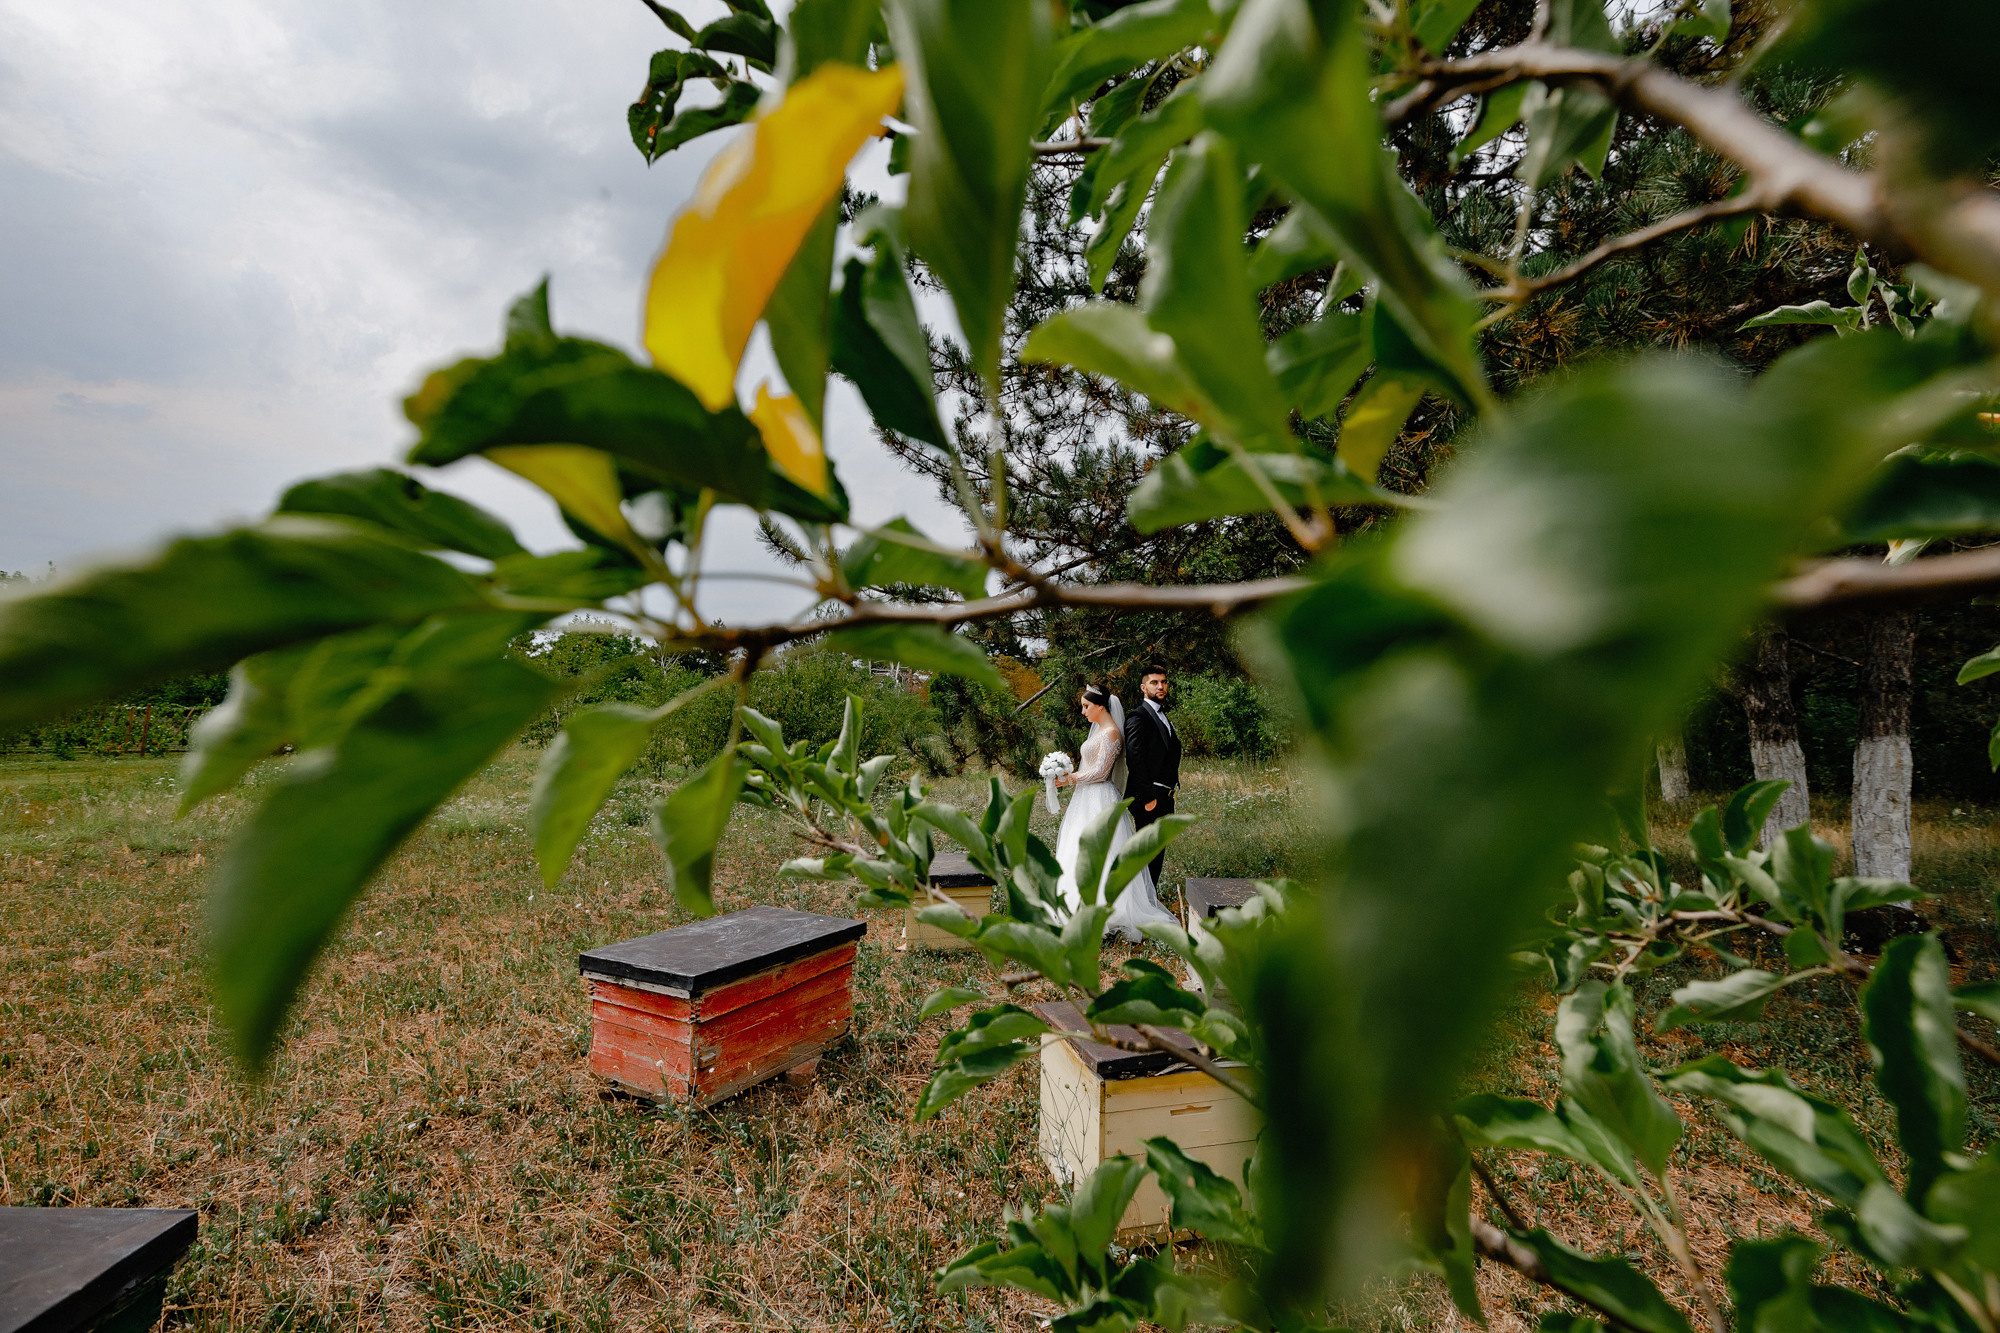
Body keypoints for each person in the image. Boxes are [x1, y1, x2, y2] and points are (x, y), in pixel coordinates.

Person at [1050, 684, 1179, 940]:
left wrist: (1069, 778)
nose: (1083, 711)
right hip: (1085, 798)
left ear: (1100, 706)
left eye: (1086, 706)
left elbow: (1100, 772)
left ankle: (1108, 911)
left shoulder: (1111, 734)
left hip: (1100, 798)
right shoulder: (1100, 730)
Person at [1123, 665, 1180, 887]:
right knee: (1147, 858)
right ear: (1143, 687)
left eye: (1163, 682)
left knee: (1156, 858)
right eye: (1154, 682)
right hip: (1149, 797)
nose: (1160, 686)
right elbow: (1134, 758)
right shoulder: (1139, 717)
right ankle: (1143, 909)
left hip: (1164, 795)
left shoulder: (1163, 716)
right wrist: (1148, 797)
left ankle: (1149, 903)